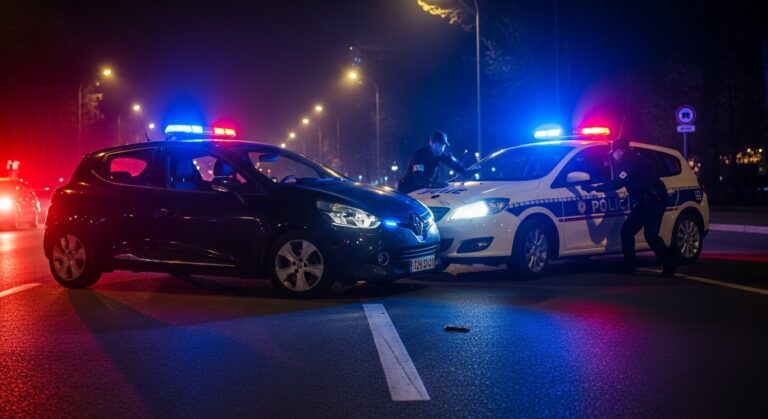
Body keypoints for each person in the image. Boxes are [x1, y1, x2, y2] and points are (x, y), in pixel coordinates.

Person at [588, 138, 676, 277]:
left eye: (614, 152)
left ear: (621, 150)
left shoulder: (631, 162)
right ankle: (629, 265)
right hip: (644, 202)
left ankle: (669, 264)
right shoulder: (630, 160)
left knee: (651, 235)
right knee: (627, 231)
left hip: (654, 202)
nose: (613, 156)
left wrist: (596, 188)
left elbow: (619, 182)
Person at [397, 131, 474, 194]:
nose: (441, 148)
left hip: (423, 189)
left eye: (443, 145)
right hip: (408, 190)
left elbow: (453, 163)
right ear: (431, 143)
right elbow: (418, 178)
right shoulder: (419, 156)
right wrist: (432, 184)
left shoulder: (442, 153)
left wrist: (465, 171)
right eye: (439, 145)